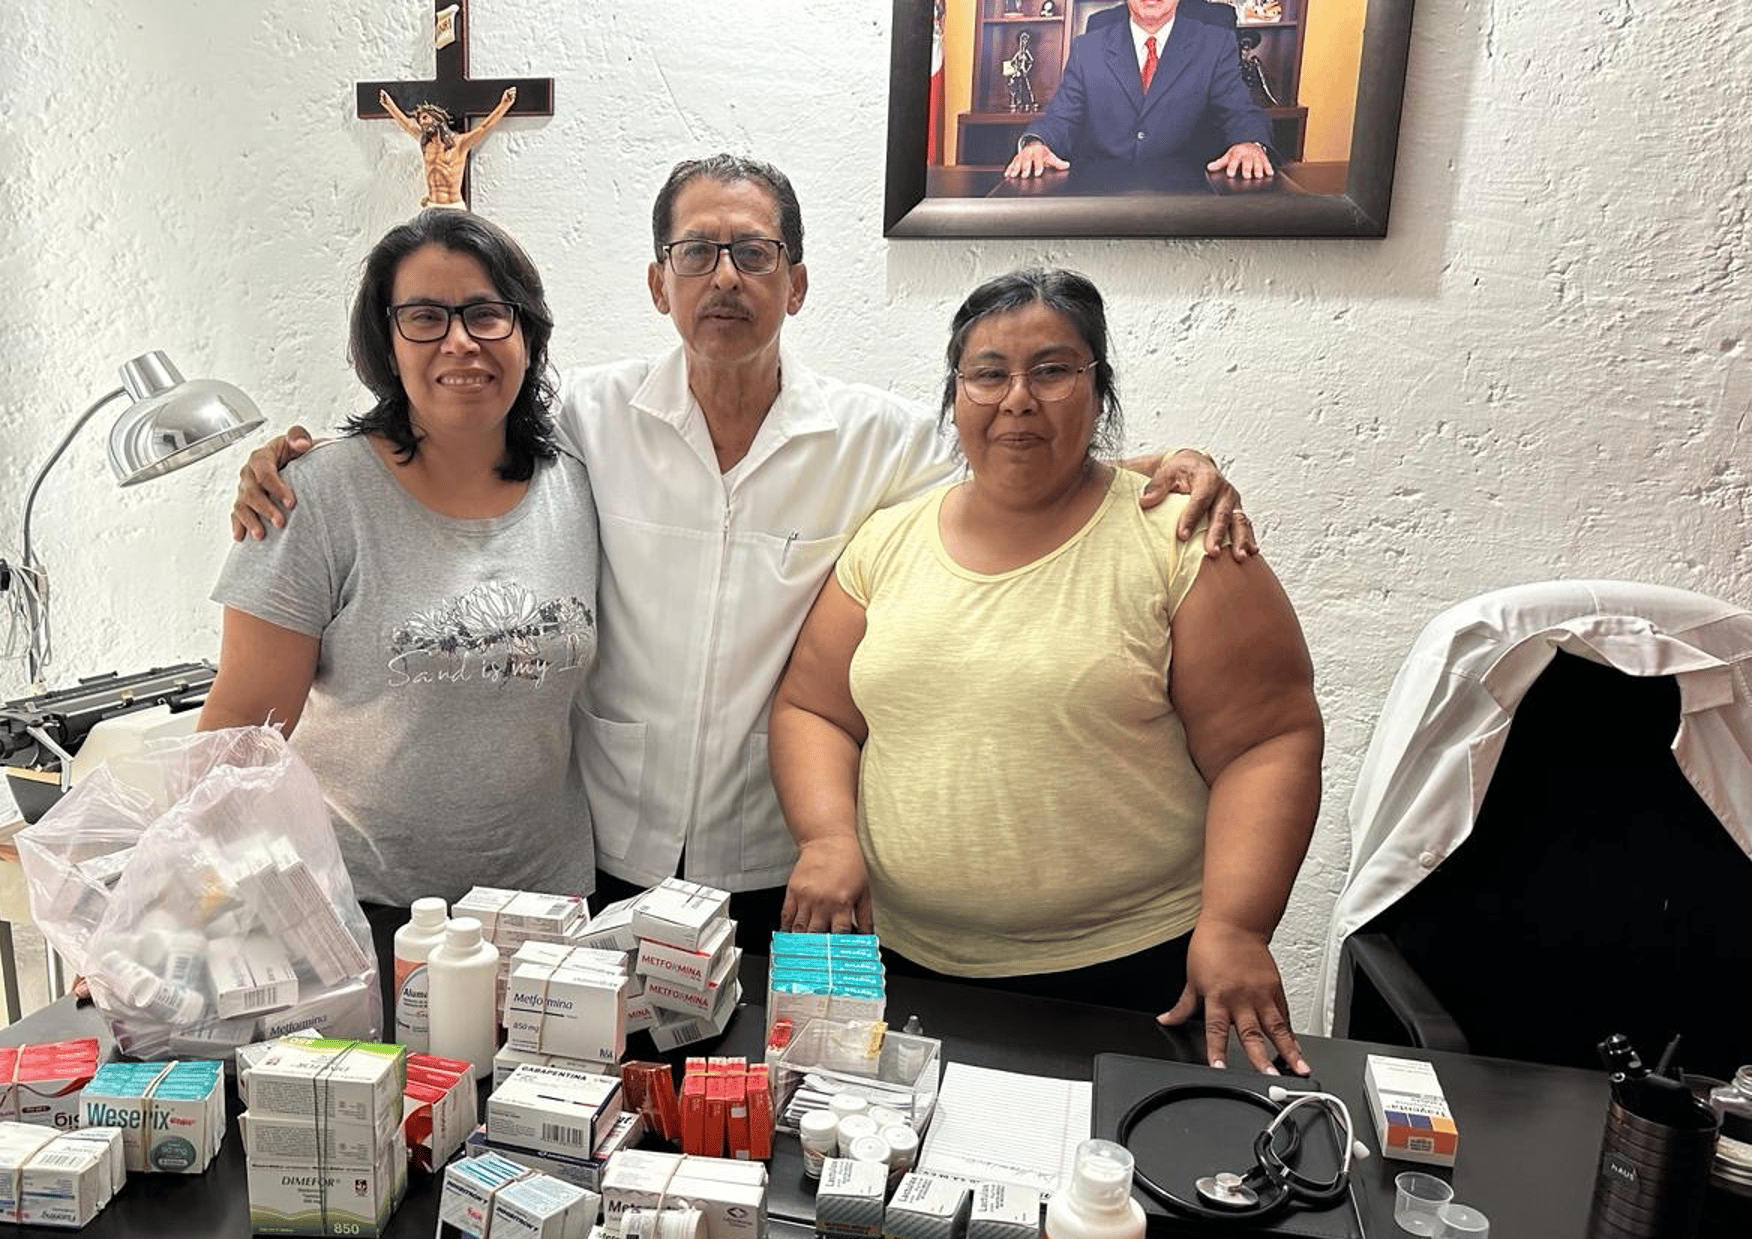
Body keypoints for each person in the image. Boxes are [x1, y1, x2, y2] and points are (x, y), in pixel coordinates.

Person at [230, 156, 1255, 950]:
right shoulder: (584, 418)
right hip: (607, 859)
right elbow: (452, 415)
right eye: (696, 253)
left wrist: (1162, 467)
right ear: (657, 282)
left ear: (797, 283)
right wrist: (303, 456)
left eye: (753, 253)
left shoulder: (883, 439)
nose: (724, 277)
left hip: (786, 863)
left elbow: (1019, 443)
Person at [770, 267, 1322, 1074]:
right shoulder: (887, 539)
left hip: (1127, 975)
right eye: (989, 373)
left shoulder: (1181, 539)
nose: (1017, 398)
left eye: (1053, 370)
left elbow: (1269, 742)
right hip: (900, 963)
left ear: (1099, 391)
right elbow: (813, 708)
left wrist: (1238, 925)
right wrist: (825, 838)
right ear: (955, 396)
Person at [198, 209, 599, 925]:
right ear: (386, 340)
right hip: (364, 909)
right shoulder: (312, 496)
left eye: (486, 313)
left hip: (549, 912)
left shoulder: (579, 480)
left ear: (527, 332)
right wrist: (178, 905)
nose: (459, 341)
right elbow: (238, 732)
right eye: (424, 317)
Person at [1002, 0, 1275, 182]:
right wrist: (1037, 144)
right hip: (1104, 194)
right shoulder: (1088, 48)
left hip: (1185, 195)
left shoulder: (1214, 43)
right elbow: (1062, 117)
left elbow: (1239, 111)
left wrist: (1249, 143)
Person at [381, 87, 517, 209]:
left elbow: (484, 127)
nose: (422, 123)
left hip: (454, 205)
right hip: (432, 206)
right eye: (420, 121)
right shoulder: (426, 143)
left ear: (437, 118)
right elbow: (407, 125)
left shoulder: (460, 142)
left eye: (425, 118)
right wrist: (389, 105)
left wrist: (504, 104)